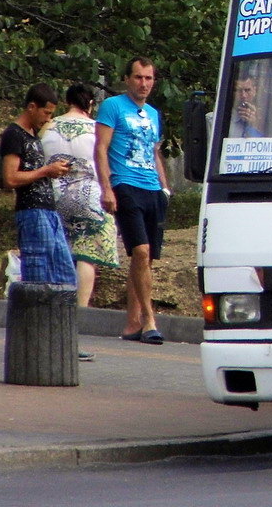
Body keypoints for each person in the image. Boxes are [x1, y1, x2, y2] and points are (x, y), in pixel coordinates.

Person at [95, 57, 170, 345]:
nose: (144, 84)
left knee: (145, 259)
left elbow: (154, 152)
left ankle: (131, 324)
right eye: (138, 77)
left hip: (151, 188)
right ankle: (150, 320)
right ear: (127, 79)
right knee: (139, 251)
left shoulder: (152, 113)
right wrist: (107, 188)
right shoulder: (113, 106)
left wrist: (165, 189)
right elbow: (100, 148)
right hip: (125, 184)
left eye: (149, 78)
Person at [40, 83, 120, 310]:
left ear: (67, 102)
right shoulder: (96, 128)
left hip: (53, 194)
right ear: (91, 104)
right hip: (90, 196)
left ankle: (55, 307)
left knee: (58, 250)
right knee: (87, 253)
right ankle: (81, 309)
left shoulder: (49, 126)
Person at [0, 84, 75, 288]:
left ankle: (59, 318)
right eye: (46, 113)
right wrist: (45, 171)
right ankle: (34, 319)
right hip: (31, 212)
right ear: (32, 107)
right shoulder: (14, 134)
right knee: (39, 277)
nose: (48, 119)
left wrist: (53, 171)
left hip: (49, 211)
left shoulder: (33, 135)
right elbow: (10, 178)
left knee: (64, 275)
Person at [227, 72, 263, 138]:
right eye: (239, 90)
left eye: (247, 90)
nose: (243, 95)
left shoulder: (266, 118)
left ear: (255, 91)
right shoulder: (217, 120)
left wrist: (253, 125)